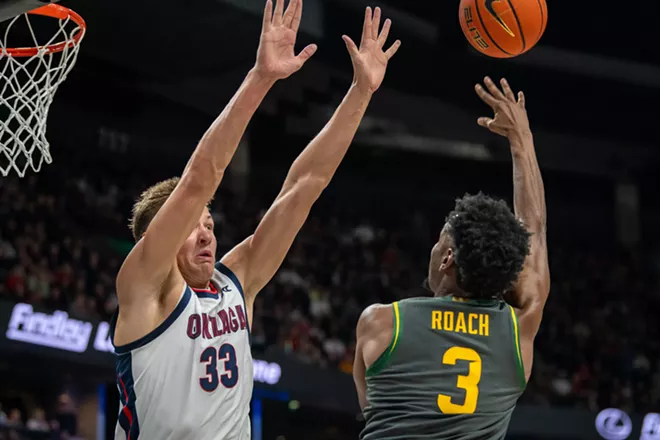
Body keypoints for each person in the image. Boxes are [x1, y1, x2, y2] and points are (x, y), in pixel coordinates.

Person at [109, 0, 401, 438]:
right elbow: (197, 181)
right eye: (193, 226)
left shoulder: (235, 281)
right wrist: (261, 78)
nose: (207, 233)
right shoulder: (145, 288)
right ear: (159, 236)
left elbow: (305, 185)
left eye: (210, 224)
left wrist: (361, 93)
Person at [353, 77, 549, 440]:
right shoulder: (518, 331)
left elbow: (371, 410)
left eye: (440, 237)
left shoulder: (381, 322)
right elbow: (534, 233)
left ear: (447, 258)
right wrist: (522, 142)